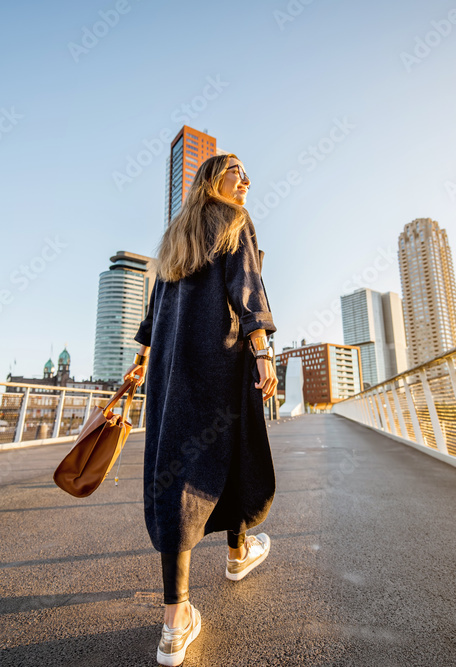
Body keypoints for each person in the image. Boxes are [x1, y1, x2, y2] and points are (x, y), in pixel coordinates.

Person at [123, 153, 278, 666]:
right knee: (234, 452)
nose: (246, 180)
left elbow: (155, 308)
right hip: (219, 359)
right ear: (214, 179)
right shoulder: (234, 219)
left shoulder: (175, 235)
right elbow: (247, 286)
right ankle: (235, 554)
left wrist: (143, 361)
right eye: (237, 171)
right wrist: (261, 351)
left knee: (174, 474)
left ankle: (176, 619)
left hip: (171, 369)